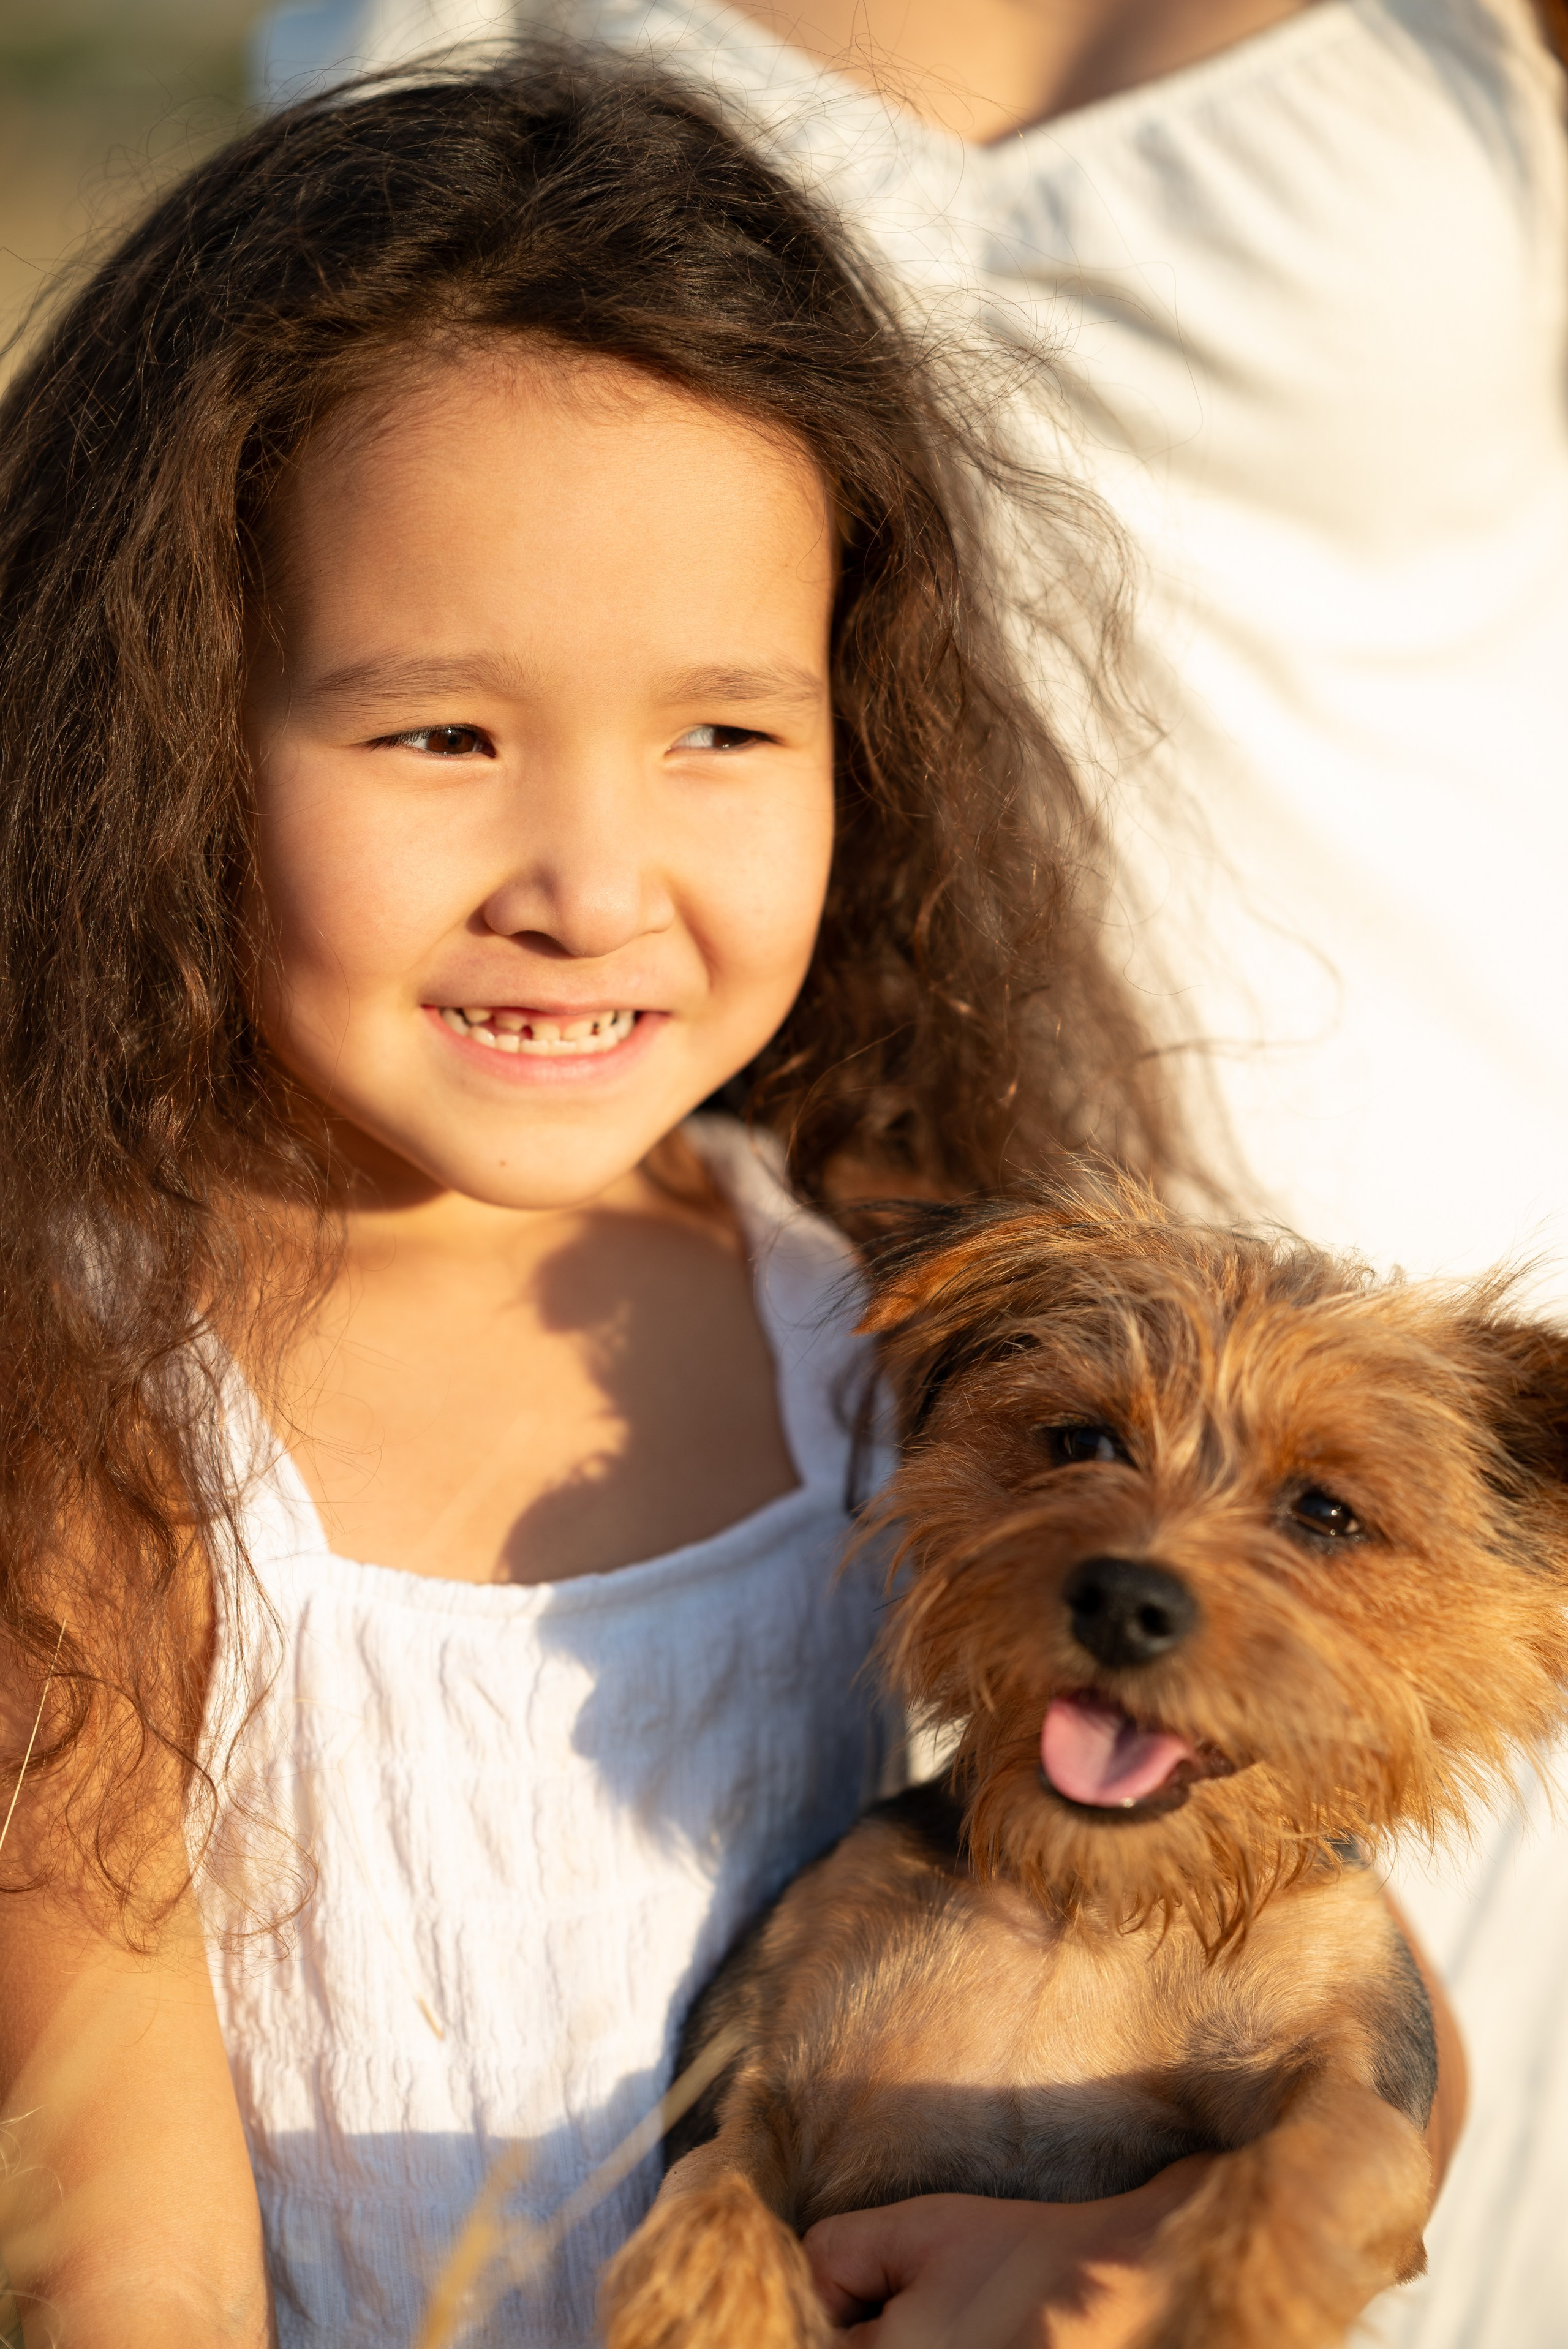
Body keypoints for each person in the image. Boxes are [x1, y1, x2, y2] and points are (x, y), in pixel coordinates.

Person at [0, 48, 1461, 2349]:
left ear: (859, 732)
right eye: (441, 736)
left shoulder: (892, 1324)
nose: (593, 884)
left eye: (722, 731)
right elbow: (122, 2250)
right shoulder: (93, 1396)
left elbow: (1333, 1986)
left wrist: (1107, 2247)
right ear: (174, 727)